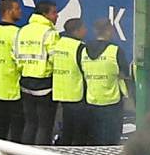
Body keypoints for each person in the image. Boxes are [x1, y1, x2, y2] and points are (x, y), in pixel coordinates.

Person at [13, 0, 55, 144]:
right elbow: (55, 58)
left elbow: (15, 55)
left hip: (25, 81)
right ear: (45, 14)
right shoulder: (50, 33)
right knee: (44, 125)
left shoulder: (22, 30)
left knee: (30, 122)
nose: (57, 16)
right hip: (44, 83)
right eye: (54, 12)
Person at [82, 18, 126, 147]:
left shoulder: (84, 50)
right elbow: (124, 74)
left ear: (95, 31)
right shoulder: (115, 50)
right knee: (111, 141)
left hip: (91, 100)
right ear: (110, 30)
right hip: (111, 102)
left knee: (94, 140)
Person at [0, 0, 24, 150]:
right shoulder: (16, 33)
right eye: (17, 8)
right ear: (8, 11)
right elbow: (19, 59)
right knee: (16, 127)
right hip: (12, 86)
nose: (20, 11)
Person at [48, 13, 85, 144]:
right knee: (76, 129)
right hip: (75, 92)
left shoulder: (58, 43)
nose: (85, 31)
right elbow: (85, 68)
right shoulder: (79, 47)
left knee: (66, 125)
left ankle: (63, 149)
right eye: (83, 28)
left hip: (60, 90)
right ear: (77, 30)